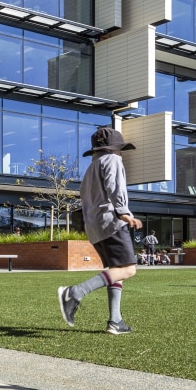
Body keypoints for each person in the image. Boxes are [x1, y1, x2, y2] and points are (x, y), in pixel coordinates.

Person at [57, 127, 141, 335]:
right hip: (111, 221)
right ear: (114, 148)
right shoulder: (112, 161)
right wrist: (123, 212)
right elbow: (115, 186)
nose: (121, 153)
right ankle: (75, 292)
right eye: (120, 149)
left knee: (116, 271)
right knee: (129, 269)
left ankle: (115, 321)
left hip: (95, 226)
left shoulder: (91, 168)